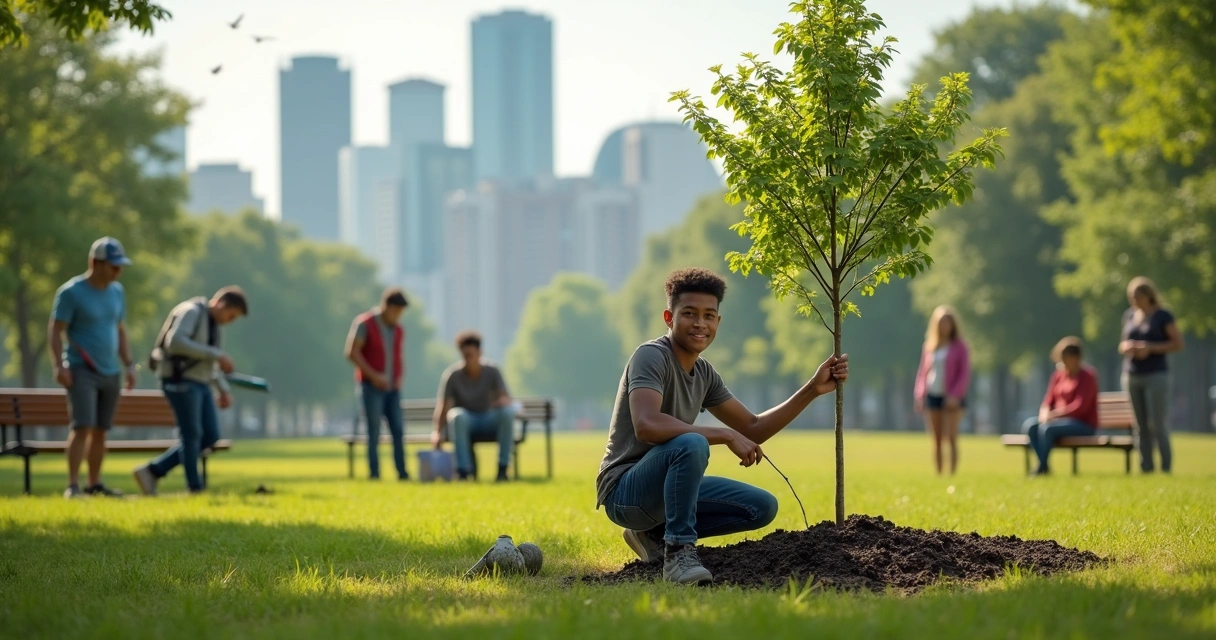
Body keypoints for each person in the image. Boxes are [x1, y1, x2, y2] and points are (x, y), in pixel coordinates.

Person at [596, 268, 849, 585]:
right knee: (691, 443)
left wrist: (812, 388)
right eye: (689, 314)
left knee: (760, 507)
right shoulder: (651, 356)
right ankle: (678, 554)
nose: (700, 323)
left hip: (663, 490)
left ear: (718, 321)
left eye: (709, 315)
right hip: (626, 492)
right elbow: (647, 425)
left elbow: (753, 428)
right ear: (669, 317)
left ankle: (652, 534)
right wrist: (725, 435)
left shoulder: (704, 374)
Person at [133, 287, 248, 495]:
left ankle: (153, 470)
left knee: (210, 435)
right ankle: (195, 488)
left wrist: (222, 388)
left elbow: (208, 364)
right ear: (221, 304)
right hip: (179, 381)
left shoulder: (215, 326)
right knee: (192, 434)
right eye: (231, 315)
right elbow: (175, 342)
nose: (230, 321)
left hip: (200, 383)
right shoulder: (191, 311)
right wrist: (216, 354)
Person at [48, 237, 138, 499]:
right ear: (95, 263)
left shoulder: (117, 292)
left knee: (101, 430)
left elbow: (120, 330)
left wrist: (129, 365)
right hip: (81, 369)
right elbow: (55, 330)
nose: (118, 271)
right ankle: (73, 486)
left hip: (111, 371)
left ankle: (94, 484)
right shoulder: (71, 292)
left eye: (119, 266)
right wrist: (58, 366)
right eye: (113, 266)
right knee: (82, 426)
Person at [432, 331, 517, 482]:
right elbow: (443, 406)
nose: (467, 359)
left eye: (470, 355)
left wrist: (500, 402)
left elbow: (506, 397)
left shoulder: (493, 371)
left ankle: (503, 469)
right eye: (464, 355)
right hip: (466, 422)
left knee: (507, 413)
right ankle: (463, 471)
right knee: (457, 415)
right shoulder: (453, 375)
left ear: (480, 352)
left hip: (488, 418)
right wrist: (437, 432)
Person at [1119, 276, 1184, 473]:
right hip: (1132, 374)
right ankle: (1145, 467)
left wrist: (1150, 348)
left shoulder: (1163, 316)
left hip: (1156, 375)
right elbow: (1121, 344)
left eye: (1137, 296)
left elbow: (1178, 344)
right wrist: (1129, 347)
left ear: (1148, 295)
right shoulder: (1129, 315)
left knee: (1158, 423)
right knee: (1140, 425)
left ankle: (1165, 467)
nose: (1134, 300)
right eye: (1131, 296)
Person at [344, 288, 410, 481]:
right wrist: (373, 376)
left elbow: (399, 356)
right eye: (396, 311)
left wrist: (399, 377)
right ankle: (374, 474)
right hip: (370, 387)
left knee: (398, 430)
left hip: (393, 389)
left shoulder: (398, 329)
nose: (398, 316)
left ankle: (402, 473)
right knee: (373, 431)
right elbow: (352, 352)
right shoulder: (364, 324)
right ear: (386, 306)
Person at [1021, 337, 1100, 476]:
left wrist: (1054, 415)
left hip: (1083, 424)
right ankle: (1044, 465)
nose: (1062, 363)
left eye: (1065, 359)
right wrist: (1044, 413)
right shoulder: (1058, 376)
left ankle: (1041, 468)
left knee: (1047, 429)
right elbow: (1048, 400)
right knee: (1030, 426)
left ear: (1076, 358)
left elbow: (1080, 406)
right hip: (1057, 422)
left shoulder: (1088, 376)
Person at [913, 305, 970, 475]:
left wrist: (955, 395)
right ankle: (939, 475)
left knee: (951, 438)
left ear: (953, 325)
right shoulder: (929, 346)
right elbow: (922, 373)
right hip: (933, 395)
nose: (945, 326)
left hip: (952, 398)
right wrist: (920, 395)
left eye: (948, 322)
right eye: (941, 322)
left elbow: (964, 374)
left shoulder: (960, 347)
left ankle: (952, 475)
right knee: (936, 439)